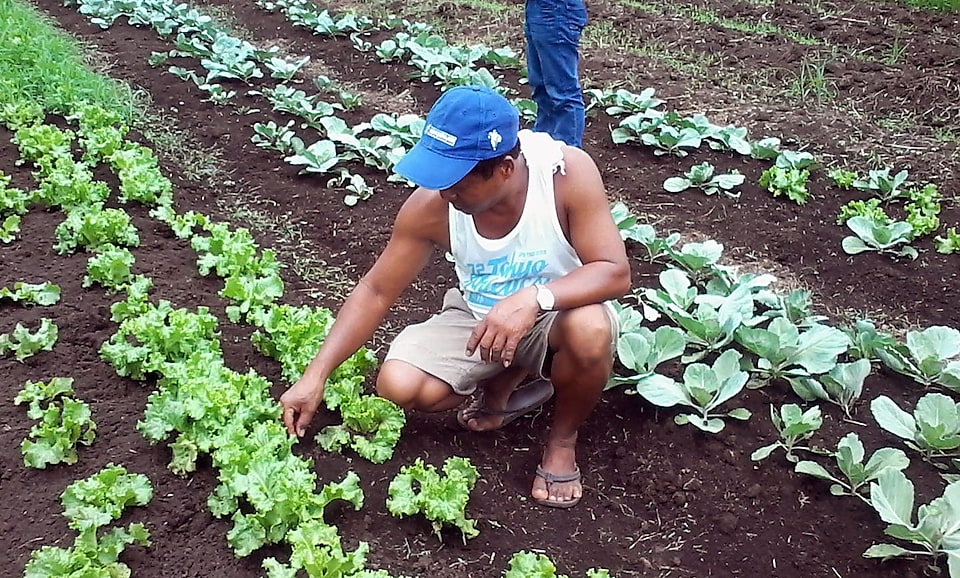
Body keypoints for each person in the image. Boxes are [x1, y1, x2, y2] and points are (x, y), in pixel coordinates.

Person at [280, 85, 630, 508]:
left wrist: (534, 298)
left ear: (504, 168)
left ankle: (561, 439)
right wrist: (314, 376)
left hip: (559, 314)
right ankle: (504, 378)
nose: (444, 192)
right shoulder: (432, 206)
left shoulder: (565, 176)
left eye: (457, 181)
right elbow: (375, 290)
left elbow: (614, 272)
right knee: (400, 385)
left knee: (591, 328)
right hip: (478, 315)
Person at [525, 0, 588, 147]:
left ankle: (566, 157)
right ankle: (541, 151)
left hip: (556, 11)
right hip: (540, 9)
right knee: (541, 89)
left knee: (563, 93)